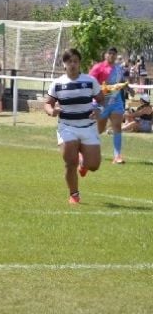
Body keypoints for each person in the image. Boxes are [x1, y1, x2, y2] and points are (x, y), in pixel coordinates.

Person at [44, 48, 103, 205]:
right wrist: (52, 111)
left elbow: (101, 99)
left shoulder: (90, 81)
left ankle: (84, 163)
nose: (72, 64)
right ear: (64, 64)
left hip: (88, 127)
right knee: (70, 162)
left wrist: (98, 110)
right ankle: (74, 195)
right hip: (67, 127)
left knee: (94, 165)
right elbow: (47, 104)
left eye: (75, 61)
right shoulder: (57, 84)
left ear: (79, 63)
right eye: (69, 61)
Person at [88, 47, 127, 164]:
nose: (112, 55)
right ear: (105, 55)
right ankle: (85, 148)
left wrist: (129, 88)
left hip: (116, 102)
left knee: (117, 126)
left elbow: (122, 81)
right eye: (110, 53)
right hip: (101, 102)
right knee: (100, 129)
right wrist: (103, 88)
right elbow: (89, 83)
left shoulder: (119, 68)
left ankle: (117, 156)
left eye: (114, 54)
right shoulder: (98, 67)